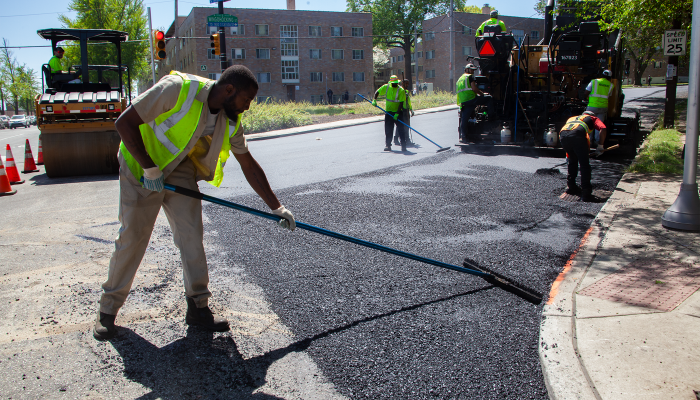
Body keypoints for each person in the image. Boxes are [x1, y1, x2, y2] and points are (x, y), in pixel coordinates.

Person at [93, 66, 296, 340]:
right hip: (140, 164)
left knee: (192, 235)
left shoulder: (231, 121)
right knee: (133, 237)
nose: (247, 107)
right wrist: (149, 169)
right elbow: (124, 123)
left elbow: (248, 165)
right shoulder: (178, 90)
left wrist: (276, 207)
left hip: (178, 169)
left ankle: (198, 307)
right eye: (245, 100)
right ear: (228, 90)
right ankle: (107, 311)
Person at [559, 110, 607, 202]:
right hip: (577, 135)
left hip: (563, 136)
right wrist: (600, 146)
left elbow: (570, 135)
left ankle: (571, 187)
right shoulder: (593, 118)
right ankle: (586, 192)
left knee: (572, 161)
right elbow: (603, 128)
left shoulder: (572, 118)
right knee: (584, 165)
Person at [456, 64, 495, 142]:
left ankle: (463, 136)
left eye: (474, 70)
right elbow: (474, 88)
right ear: (467, 69)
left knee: (464, 119)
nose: (473, 71)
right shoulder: (470, 77)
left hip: (464, 101)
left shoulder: (460, 79)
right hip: (472, 99)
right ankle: (491, 118)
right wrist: (482, 94)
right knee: (489, 98)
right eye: (472, 70)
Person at [373, 74, 408, 152]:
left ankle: (404, 146)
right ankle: (388, 145)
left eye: (396, 83)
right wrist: (374, 100)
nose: (395, 84)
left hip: (398, 113)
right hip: (388, 112)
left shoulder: (401, 90)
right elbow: (377, 92)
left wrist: (397, 114)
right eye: (394, 83)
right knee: (388, 129)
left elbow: (401, 103)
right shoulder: (386, 87)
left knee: (401, 129)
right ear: (391, 83)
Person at [584, 69, 614, 144]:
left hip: (592, 107)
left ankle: (589, 142)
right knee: (599, 125)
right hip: (603, 107)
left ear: (602, 75)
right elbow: (609, 96)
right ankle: (598, 142)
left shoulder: (594, 81)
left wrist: (585, 98)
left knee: (588, 123)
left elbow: (586, 92)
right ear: (610, 77)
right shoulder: (611, 85)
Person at [394, 79, 415, 146]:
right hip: (401, 111)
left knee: (407, 126)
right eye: (406, 83)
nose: (407, 85)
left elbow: (408, 102)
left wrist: (411, 109)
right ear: (402, 83)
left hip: (406, 110)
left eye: (408, 84)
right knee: (400, 126)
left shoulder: (406, 92)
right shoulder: (400, 90)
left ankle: (407, 139)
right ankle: (396, 139)